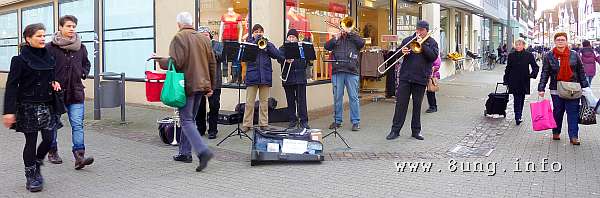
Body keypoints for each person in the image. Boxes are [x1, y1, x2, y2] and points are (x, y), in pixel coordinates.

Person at [3, 23, 63, 192]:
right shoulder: (19, 60)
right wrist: (8, 111)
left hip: (47, 105)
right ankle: (31, 176)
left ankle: (36, 162)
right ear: (28, 39)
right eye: (38, 36)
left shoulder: (49, 56)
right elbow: (12, 86)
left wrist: (55, 82)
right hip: (27, 107)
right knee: (31, 142)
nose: (43, 38)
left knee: (50, 139)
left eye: (44, 35)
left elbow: (52, 76)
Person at [153, 12, 216, 171]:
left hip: (187, 85)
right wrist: (211, 86)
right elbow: (212, 64)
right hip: (202, 86)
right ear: (191, 23)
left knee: (186, 120)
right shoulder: (204, 38)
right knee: (191, 120)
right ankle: (184, 153)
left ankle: (203, 151)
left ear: (179, 24)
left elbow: (176, 62)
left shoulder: (179, 38)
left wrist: (159, 60)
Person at [45, 15, 94, 169]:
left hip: (75, 91)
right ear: (60, 27)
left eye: (74, 26)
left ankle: (79, 156)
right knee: (53, 124)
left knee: (77, 124)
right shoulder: (50, 47)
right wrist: (51, 80)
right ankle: (52, 151)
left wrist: (83, 73)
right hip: (55, 94)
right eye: (68, 26)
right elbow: (43, 67)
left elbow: (86, 63)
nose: (72, 29)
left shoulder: (81, 47)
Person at [385, 20, 439, 141]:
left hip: (420, 78)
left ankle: (416, 131)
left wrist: (422, 45)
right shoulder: (408, 40)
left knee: (417, 106)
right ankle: (395, 131)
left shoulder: (432, 42)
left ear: (426, 30)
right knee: (400, 105)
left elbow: (433, 57)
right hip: (406, 77)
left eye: (421, 30)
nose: (419, 32)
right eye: (417, 29)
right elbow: (397, 54)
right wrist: (401, 52)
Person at [538, 32, 589, 145]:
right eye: (558, 40)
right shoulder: (549, 55)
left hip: (572, 89)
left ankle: (574, 136)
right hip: (556, 89)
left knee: (573, 112)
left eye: (562, 39)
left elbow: (581, 71)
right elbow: (545, 73)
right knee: (558, 112)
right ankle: (556, 131)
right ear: (555, 41)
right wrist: (541, 88)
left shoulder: (574, 55)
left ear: (566, 41)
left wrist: (585, 87)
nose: (560, 41)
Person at [324, 20, 365, 131]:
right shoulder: (337, 38)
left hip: (352, 71)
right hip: (338, 71)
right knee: (337, 97)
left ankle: (355, 122)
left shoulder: (355, 38)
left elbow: (361, 43)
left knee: (353, 97)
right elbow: (326, 46)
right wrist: (336, 37)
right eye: (344, 27)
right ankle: (337, 121)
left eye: (347, 27)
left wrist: (350, 33)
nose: (345, 29)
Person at [241, 24, 283, 132]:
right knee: (249, 102)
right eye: (256, 32)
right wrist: (255, 43)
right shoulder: (249, 43)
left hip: (265, 76)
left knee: (264, 102)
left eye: (260, 31)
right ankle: (247, 124)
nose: (259, 33)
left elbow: (277, 55)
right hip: (252, 76)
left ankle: (263, 124)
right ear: (252, 33)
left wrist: (267, 45)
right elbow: (244, 56)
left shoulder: (267, 43)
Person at [277, 29, 310, 129]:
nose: (291, 39)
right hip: (288, 78)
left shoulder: (301, 48)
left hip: (300, 77)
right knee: (290, 100)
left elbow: (306, 60)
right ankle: (292, 119)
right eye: (289, 37)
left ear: (296, 38)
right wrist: (285, 59)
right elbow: (279, 58)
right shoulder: (283, 48)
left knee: (302, 101)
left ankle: (303, 120)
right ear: (287, 38)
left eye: (293, 37)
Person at [195, 26, 223, 140]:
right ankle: (200, 129)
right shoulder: (196, 47)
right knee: (200, 107)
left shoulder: (218, 45)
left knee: (214, 107)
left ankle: (212, 130)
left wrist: (208, 49)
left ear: (210, 36)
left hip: (215, 82)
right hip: (200, 82)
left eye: (205, 35)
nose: (204, 38)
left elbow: (220, 56)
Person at [503, 38, 539, 125]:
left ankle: (519, 115)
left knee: (522, 98)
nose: (518, 46)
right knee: (517, 98)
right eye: (517, 45)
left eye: (520, 44)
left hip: (524, 79)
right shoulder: (511, 55)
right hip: (514, 79)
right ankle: (517, 116)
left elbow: (535, 66)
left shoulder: (528, 55)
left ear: (524, 45)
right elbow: (508, 68)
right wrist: (506, 79)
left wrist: (532, 75)